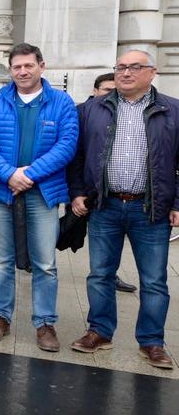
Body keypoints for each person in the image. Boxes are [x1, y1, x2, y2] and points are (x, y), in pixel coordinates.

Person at [67, 50, 177, 370]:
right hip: (106, 205)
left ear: (152, 72)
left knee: (154, 280)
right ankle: (100, 331)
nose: (125, 72)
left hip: (150, 208)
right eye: (120, 67)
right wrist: (77, 193)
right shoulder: (92, 109)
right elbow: (77, 156)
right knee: (100, 274)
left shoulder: (172, 110)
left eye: (134, 67)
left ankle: (152, 341)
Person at [0, 43, 78, 352]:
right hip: (1, 190)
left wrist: (29, 174)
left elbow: (67, 145)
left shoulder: (61, 102)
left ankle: (45, 322)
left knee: (45, 262)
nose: (22, 71)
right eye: (17, 66)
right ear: (10, 70)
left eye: (28, 65)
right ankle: (0, 317)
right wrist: (9, 174)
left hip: (43, 193)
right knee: (0, 259)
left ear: (41, 66)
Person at [81, 73, 137, 294]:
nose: (112, 94)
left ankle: (111, 275)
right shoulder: (85, 113)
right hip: (93, 194)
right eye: (106, 90)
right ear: (95, 91)